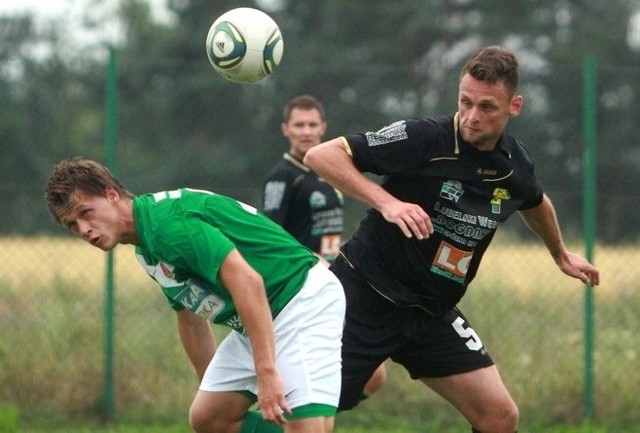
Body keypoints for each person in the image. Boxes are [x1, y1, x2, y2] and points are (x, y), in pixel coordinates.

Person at [303, 45, 600, 433]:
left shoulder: (514, 164)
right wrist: (387, 202)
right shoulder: (424, 138)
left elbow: (534, 200)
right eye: (466, 102)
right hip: (365, 298)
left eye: (487, 107)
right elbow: (322, 156)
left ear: (515, 106)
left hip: (430, 313)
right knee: (307, 421)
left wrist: (559, 253)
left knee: (499, 417)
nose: (472, 117)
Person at [44, 158, 346, 433]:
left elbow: (248, 281)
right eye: (73, 224)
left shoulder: (167, 227)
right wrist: (209, 381)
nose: (83, 229)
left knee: (307, 428)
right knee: (210, 418)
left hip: (300, 299)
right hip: (260, 314)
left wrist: (267, 372)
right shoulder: (146, 249)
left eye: (86, 213)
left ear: (111, 195)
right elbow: (189, 319)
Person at [263, 94, 386, 397]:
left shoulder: (327, 171)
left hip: (335, 280)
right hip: (300, 285)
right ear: (285, 129)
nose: (306, 131)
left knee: (373, 375)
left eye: (312, 124)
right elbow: (268, 234)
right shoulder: (282, 177)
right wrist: (308, 257)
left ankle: (313, 412)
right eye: (299, 124)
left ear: (323, 128)